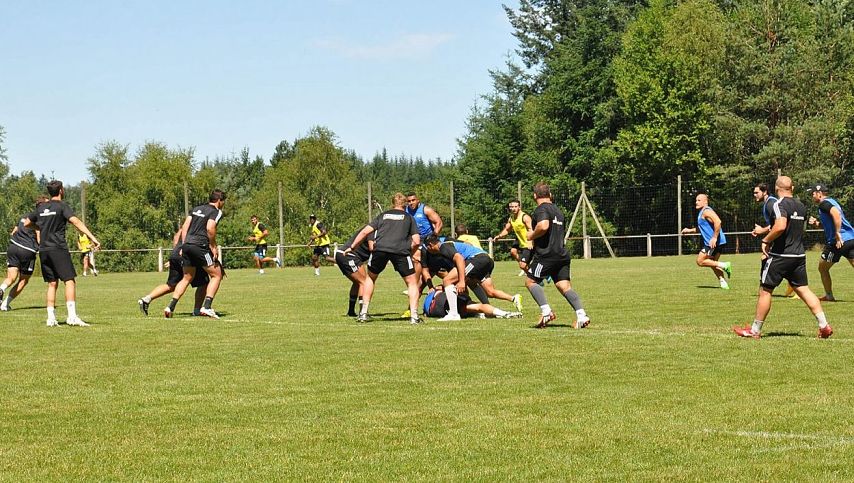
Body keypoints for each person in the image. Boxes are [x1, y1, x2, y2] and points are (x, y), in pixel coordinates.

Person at [733, 176, 832, 339]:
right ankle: (824, 325)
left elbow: (780, 226)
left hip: (780, 255)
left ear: (777, 189)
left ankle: (755, 330)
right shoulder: (801, 206)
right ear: (792, 188)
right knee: (804, 290)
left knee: (765, 291)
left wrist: (766, 240)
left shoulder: (778, 204)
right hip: (798, 255)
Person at [23, 180, 100, 327]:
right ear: (61, 191)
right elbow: (76, 222)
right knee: (69, 281)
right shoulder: (62, 206)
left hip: (44, 250)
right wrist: (93, 238)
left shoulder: (41, 208)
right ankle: (72, 317)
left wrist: (40, 227)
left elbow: (26, 223)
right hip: (58, 248)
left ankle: (51, 318)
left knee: (52, 284)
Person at [343, 193, 422, 325]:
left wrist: (352, 247)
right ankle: (414, 316)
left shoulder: (383, 215)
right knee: (412, 282)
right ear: (405, 205)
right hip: (400, 251)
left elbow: (365, 231)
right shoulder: (409, 218)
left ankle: (363, 313)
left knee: (370, 278)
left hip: (380, 249)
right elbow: (417, 241)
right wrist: (410, 253)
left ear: (392, 203)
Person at [524, 182, 590, 329]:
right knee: (564, 286)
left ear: (534, 196)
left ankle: (546, 312)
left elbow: (543, 226)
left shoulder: (541, 209)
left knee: (530, 282)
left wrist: (531, 235)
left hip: (547, 255)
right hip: (562, 254)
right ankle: (581, 315)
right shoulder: (558, 211)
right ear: (550, 195)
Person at [424, 234, 522, 321]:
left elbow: (459, 259)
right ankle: (505, 302)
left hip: (477, 259)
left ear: (430, 245)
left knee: (447, 280)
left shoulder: (443, 246)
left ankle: (453, 314)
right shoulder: (449, 245)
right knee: (489, 291)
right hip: (487, 259)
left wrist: (461, 281)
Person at [164, 189, 226, 319]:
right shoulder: (216, 211)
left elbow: (185, 227)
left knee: (187, 277)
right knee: (217, 275)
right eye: (223, 201)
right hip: (200, 246)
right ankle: (207, 307)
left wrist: (183, 244)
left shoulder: (196, 209)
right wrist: (213, 246)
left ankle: (170, 306)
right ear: (219, 200)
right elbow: (210, 228)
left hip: (187, 245)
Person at [138, 228, 209, 316]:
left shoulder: (186, 225)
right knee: (204, 283)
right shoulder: (201, 225)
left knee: (171, 285)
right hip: (188, 255)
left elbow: (176, 237)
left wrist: (176, 253)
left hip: (176, 254)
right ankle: (196, 310)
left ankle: (146, 299)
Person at [806, 184, 854, 302]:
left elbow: (836, 214)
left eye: (813, 194)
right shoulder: (832, 202)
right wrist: (817, 224)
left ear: (819, 193)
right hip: (850, 238)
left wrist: (837, 233)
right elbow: (831, 222)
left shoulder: (824, 204)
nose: (812, 196)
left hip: (837, 243)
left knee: (822, 268)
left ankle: (829, 296)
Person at [0, 196, 47, 311]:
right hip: (27, 250)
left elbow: (14, 232)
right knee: (23, 280)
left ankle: (1, 288)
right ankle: (5, 305)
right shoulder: (40, 219)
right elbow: (39, 237)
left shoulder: (25, 215)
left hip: (13, 247)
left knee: (11, 277)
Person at [751, 183, 797, 298]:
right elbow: (773, 225)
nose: (755, 195)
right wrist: (762, 230)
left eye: (757, 192)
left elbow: (779, 223)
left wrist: (762, 230)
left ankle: (765, 288)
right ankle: (792, 286)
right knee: (769, 259)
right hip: (781, 238)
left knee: (768, 259)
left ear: (765, 192)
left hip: (783, 238)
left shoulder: (771, 204)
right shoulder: (768, 203)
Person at [680, 193, 733, 289]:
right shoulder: (702, 212)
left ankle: (725, 265)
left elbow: (718, 221)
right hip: (718, 242)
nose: (696, 202)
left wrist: (714, 237)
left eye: (699, 200)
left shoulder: (706, 211)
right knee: (711, 262)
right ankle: (723, 282)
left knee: (700, 261)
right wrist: (689, 230)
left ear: (705, 202)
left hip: (713, 242)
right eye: (696, 200)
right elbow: (702, 228)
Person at [334, 225, 372, 316]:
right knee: (364, 282)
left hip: (344, 254)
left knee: (357, 282)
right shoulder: (372, 231)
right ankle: (362, 312)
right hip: (348, 255)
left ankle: (351, 311)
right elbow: (372, 248)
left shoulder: (372, 228)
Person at [490, 200, 533, 276]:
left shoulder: (525, 217)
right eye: (511, 207)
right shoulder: (511, 218)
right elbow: (507, 230)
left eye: (515, 206)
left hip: (529, 243)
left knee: (523, 265)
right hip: (520, 241)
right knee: (513, 251)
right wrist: (499, 236)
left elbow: (531, 229)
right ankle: (530, 271)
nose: (513, 208)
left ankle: (535, 277)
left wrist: (530, 241)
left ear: (519, 207)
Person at [423, 287, 522, 319]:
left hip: (435, 310)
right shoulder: (441, 292)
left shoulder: (427, 305)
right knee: (478, 307)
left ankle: (485, 314)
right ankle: (504, 313)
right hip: (444, 303)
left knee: (472, 308)